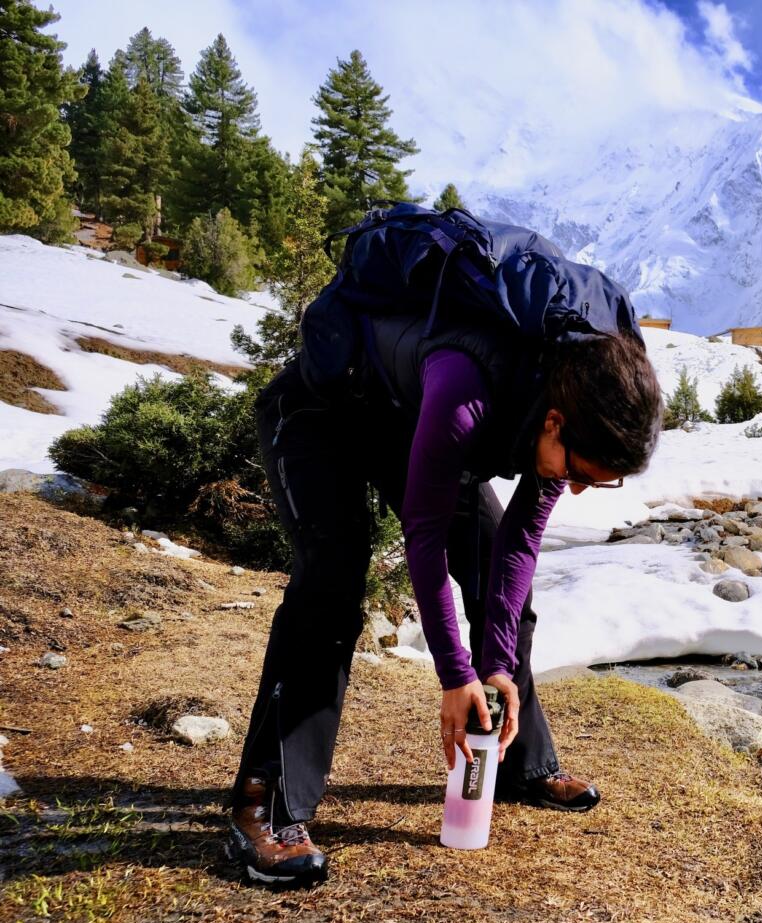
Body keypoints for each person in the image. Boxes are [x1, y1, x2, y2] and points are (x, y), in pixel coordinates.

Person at [227, 311, 662, 886]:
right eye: (580, 472)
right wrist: (456, 676)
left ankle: (515, 762)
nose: (577, 486)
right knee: (330, 585)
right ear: (555, 423)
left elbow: (517, 546)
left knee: (498, 576)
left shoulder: (573, 394)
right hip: (318, 412)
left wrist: (496, 668)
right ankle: (265, 806)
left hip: (404, 423)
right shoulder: (466, 388)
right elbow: (424, 537)